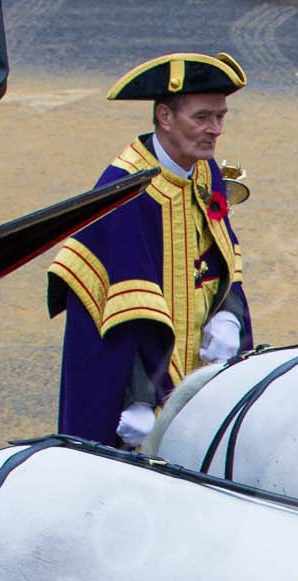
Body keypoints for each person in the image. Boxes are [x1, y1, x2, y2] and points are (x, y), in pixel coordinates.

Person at [48, 52, 254, 450]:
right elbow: (125, 313)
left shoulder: (204, 169)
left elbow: (221, 254)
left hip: (196, 361)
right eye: (202, 117)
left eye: (221, 116)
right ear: (164, 117)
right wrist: (138, 397)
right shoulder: (123, 191)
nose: (216, 129)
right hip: (136, 384)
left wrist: (229, 315)